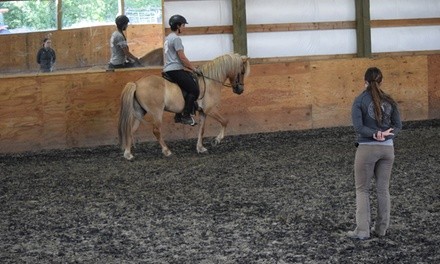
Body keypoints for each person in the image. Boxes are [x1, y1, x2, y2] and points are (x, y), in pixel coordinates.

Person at [348, 67, 402, 240]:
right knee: (383, 189)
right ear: (381, 81)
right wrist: (387, 135)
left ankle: (363, 230)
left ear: (364, 82)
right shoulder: (390, 101)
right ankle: (381, 229)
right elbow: (398, 125)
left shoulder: (359, 100)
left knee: (362, 190)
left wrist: (374, 134)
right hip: (388, 149)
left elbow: (358, 127)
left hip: (367, 149)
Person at [163, 14, 200, 126]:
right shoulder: (176, 39)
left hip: (168, 69)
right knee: (194, 90)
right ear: (178, 26)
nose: (184, 27)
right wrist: (193, 68)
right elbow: (182, 57)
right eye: (183, 25)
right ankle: (186, 115)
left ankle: (178, 114)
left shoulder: (167, 38)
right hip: (175, 69)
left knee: (185, 87)